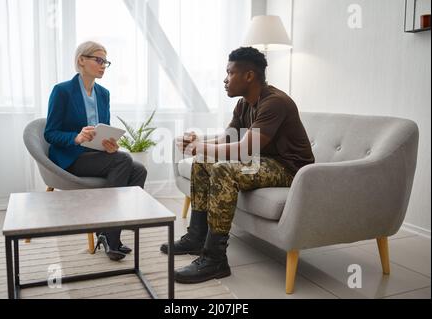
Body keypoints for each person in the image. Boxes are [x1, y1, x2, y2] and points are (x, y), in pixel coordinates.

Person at [160, 47, 315, 283]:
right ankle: (196, 237)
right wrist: (198, 143)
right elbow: (227, 139)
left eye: (230, 73)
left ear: (249, 76)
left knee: (223, 170)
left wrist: (200, 147)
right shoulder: (244, 103)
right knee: (203, 160)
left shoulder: (275, 103)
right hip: (264, 161)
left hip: (290, 169)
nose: (225, 79)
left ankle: (215, 260)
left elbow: (245, 150)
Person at [44, 41, 147, 261]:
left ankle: (111, 228)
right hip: (70, 157)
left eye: (105, 62)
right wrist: (76, 137)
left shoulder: (103, 93)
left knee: (139, 170)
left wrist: (110, 145)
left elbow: (104, 129)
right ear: (81, 60)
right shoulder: (62, 91)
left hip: (95, 155)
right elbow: (50, 133)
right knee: (123, 161)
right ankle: (111, 235)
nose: (103, 66)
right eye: (98, 60)